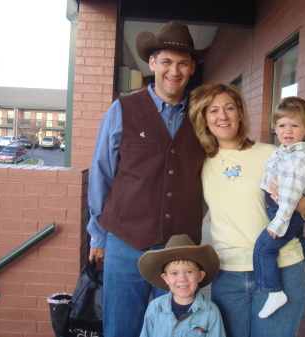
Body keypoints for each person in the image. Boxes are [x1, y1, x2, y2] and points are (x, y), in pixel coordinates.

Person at [86, 22, 211, 337]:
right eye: (166, 61)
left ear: (192, 67)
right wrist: (98, 236)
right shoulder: (123, 110)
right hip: (126, 242)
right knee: (121, 328)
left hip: (180, 249)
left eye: (183, 62)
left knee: (173, 330)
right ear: (152, 63)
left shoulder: (202, 115)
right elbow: (102, 171)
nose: (174, 70)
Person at [189, 83, 305, 337]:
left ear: (240, 113)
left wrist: (299, 202)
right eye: (213, 110)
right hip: (228, 275)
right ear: (205, 119)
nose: (223, 116)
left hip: (283, 269)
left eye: (229, 108)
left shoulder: (274, 154)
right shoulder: (202, 164)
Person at [254, 96, 305, 319]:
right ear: (275, 128)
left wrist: (278, 223)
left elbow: (291, 197)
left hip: (285, 212)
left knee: (264, 248)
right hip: (284, 210)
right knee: (299, 237)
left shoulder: (299, 159)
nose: (288, 131)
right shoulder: (287, 150)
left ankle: (274, 292)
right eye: (282, 125)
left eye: (294, 125)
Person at [137, 234, 226, 337]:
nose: (182, 279)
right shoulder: (155, 308)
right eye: (174, 273)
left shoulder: (211, 312)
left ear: (200, 276)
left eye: (188, 272)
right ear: (165, 278)